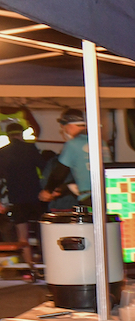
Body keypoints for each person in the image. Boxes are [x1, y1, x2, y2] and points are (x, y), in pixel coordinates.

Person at [0, 121, 45, 272]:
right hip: (35, 196)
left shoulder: (2, 152)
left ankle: (30, 266)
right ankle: (46, 263)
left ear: (8, 136)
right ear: (21, 134)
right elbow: (43, 166)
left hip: (16, 198)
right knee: (42, 232)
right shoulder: (30, 148)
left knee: (22, 234)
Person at [40, 109, 91, 211]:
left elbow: (60, 172)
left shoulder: (73, 144)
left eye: (63, 126)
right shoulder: (100, 142)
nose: (63, 130)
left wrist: (48, 190)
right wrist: (63, 189)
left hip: (87, 200)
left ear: (70, 125)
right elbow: (85, 175)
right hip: (106, 196)